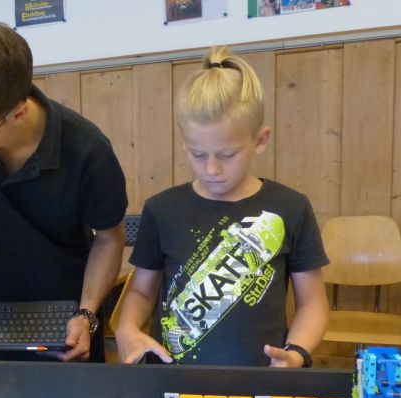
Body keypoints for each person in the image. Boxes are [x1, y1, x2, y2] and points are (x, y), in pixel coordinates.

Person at [0, 21, 128, 362]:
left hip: (64, 319)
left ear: (18, 111)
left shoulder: (87, 151)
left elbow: (108, 238)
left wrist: (87, 313)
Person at [115, 46, 329, 367]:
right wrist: (127, 329)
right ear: (183, 140)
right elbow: (141, 294)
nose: (212, 169)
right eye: (197, 154)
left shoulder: (290, 208)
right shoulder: (162, 209)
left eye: (227, 155)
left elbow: (312, 305)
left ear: (260, 140)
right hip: (171, 380)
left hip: (258, 381)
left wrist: (296, 354)